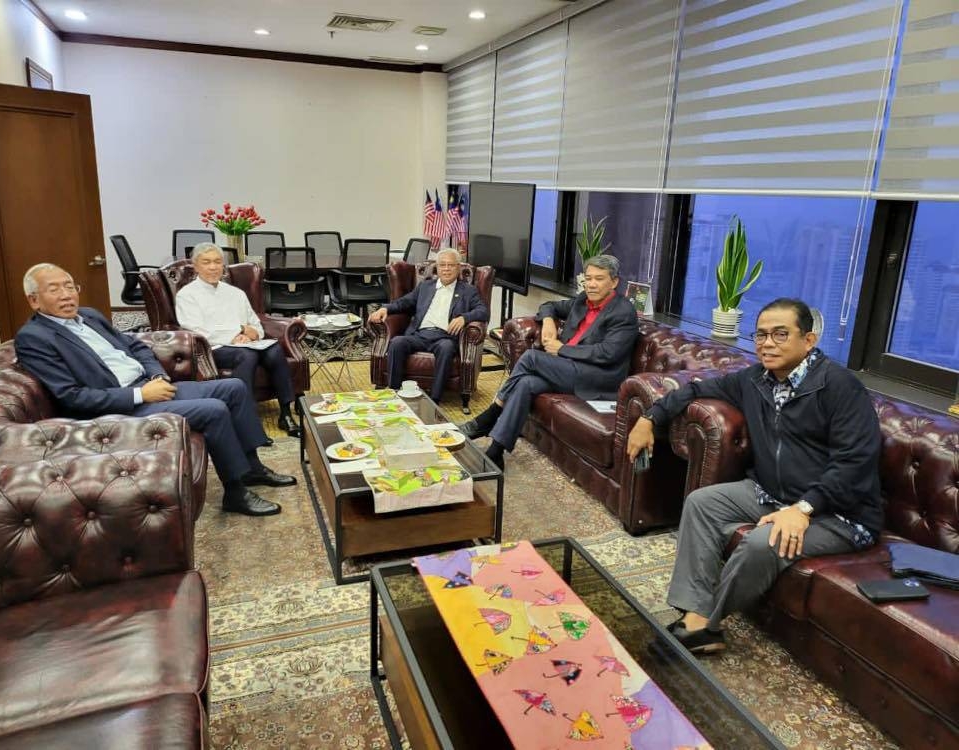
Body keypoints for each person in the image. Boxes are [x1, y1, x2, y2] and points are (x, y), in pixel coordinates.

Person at [626, 298, 882, 654]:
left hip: (839, 513)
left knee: (762, 544)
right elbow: (695, 389)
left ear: (809, 340)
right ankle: (696, 617)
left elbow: (855, 463)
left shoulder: (840, 387)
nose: (768, 343)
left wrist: (803, 509)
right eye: (761, 335)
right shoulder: (755, 379)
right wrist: (650, 418)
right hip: (772, 494)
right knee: (702, 503)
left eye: (781, 334)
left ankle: (705, 624)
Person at [14, 263, 297, 517]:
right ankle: (235, 492)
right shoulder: (34, 338)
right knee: (213, 410)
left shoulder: (89, 316)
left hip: (146, 386)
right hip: (119, 406)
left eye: (69, 286)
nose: (67, 295)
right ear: (34, 300)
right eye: (54, 290)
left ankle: (252, 469)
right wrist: (140, 395)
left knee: (233, 388)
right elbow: (72, 396)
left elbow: (136, 346)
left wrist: (158, 376)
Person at [460, 254, 639, 470]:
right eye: (588, 278)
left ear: (614, 282)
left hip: (597, 378)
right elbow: (549, 305)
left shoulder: (624, 312)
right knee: (526, 383)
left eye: (599, 279)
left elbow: (608, 353)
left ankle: (490, 415)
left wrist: (562, 348)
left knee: (531, 357)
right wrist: (547, 321)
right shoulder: (583, 300)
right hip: (567, 369)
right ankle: (496, 452)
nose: (591, 284)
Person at [176, 242, 298, 439]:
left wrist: (251, 334)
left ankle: (286, 413)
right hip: (213, 349)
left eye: (217, 262)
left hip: (246, 344)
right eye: (206, 262)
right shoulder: (187, 295)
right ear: (196, 266)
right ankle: (248, 424)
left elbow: (255, 324)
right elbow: (196, 331)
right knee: (246, 355)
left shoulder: (235, 293)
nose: (213, 267)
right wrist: (237, 332)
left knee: (274, 349)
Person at [368, 248, 488, 404]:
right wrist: (385, 308)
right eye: (442, 265)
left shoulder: (468, 291)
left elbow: (483, 311)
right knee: (397, 343)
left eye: (451, 265)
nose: (446, 269)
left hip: (444, 337)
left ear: (458, 267)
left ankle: (435, 399)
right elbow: (405, 302)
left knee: (446, 348)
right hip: (419, 334)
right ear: (437, 267)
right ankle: (395, 393)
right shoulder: (426, 286)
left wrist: (464, 318)